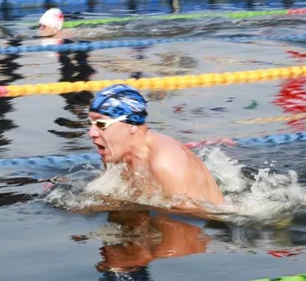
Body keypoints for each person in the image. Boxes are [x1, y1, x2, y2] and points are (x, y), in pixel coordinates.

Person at [88, 84, 225, 210]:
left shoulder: (165, 164)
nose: (91, 133)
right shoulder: (118, 155)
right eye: (91, 123)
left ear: (131, 124)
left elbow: (189, 227)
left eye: (101, 123)